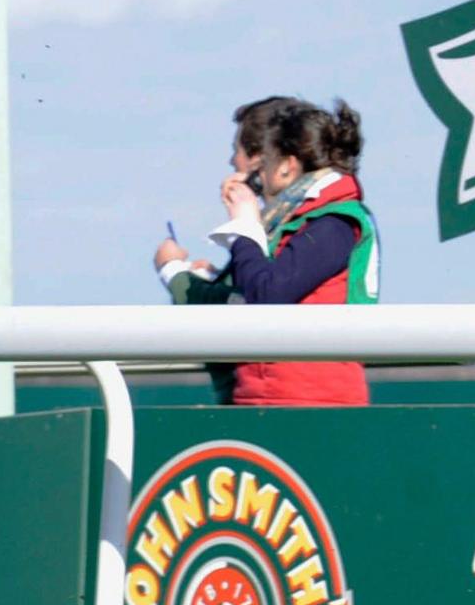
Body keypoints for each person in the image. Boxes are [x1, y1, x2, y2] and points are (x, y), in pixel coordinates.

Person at [153, 97, 381, 406]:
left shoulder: (335, 222)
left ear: (287, 165)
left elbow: (266, 295)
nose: (256, 173)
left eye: (265, 164)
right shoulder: (298, 221)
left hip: (310, 404)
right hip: (268, 399)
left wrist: (245, 225)